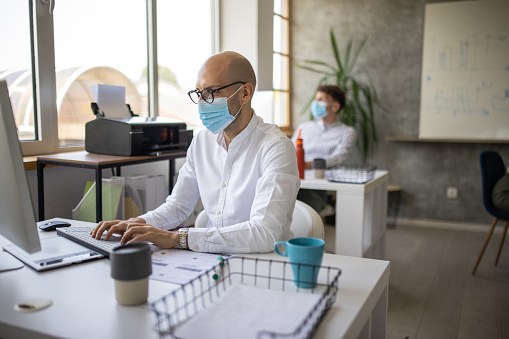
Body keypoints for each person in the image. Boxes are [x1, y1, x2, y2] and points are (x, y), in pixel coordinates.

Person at [91, 51, 300, 254]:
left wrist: (178, 238)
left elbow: (264, 233)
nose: (202, 102)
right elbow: (178, 206)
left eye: (212, 92)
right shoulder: (201, 141)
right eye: (199, 93)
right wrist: (137, 223)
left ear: (245, 93)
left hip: (262, 263)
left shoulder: (276, 147)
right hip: (211, 258)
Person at [291, 85, 357, 214]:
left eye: (321, 99)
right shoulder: (303, 128)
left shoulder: (347, 132)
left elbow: (337, 159)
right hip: (294, 179)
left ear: (335, 107)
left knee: (302, 212)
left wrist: (305, 165)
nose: (315, 103)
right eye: (316, 99)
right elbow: (290, 151)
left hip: (318, 185)